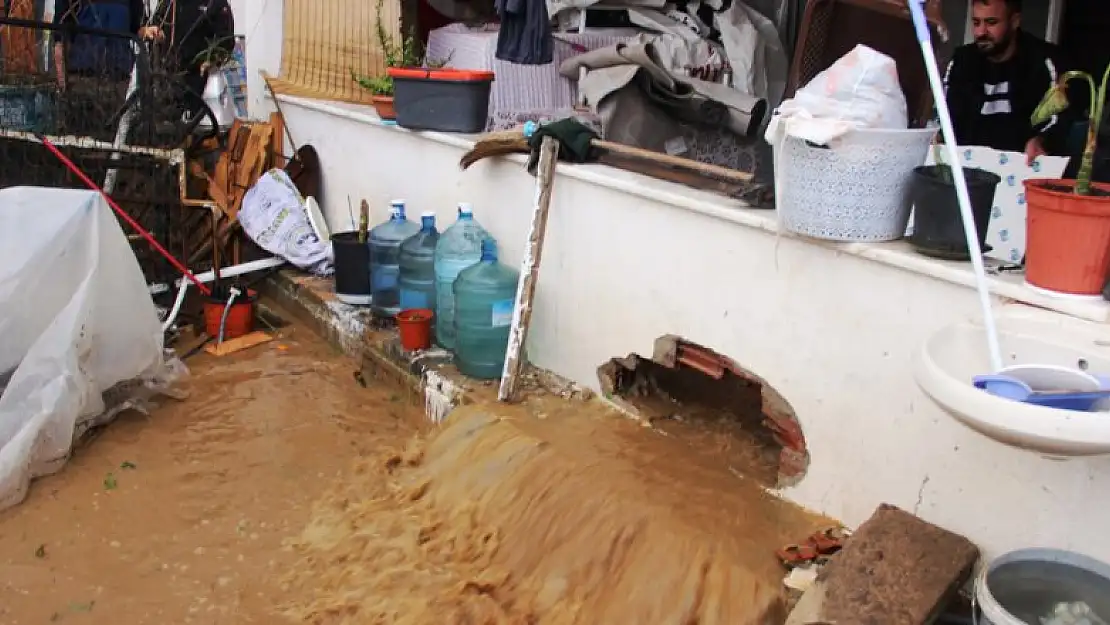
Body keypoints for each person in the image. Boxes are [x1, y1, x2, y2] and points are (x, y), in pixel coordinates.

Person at [942, 0, 1070, 165]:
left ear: (1014, 21)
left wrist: (1042, 140)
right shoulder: (962, 60)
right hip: (966, 167)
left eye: (991, 22)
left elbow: (1060, 116)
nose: (981, 32)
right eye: (976, 22)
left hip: (1023, 167)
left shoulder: (1042, 60)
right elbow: (944, 114)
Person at [140, 0, 235, 120]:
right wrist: (153, 33)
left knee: (193, 126)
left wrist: (211, 60)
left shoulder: (215, 3)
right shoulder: (168, 3)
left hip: (197, 79)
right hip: (166, 79)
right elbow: (156, 26)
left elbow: (226, 40)